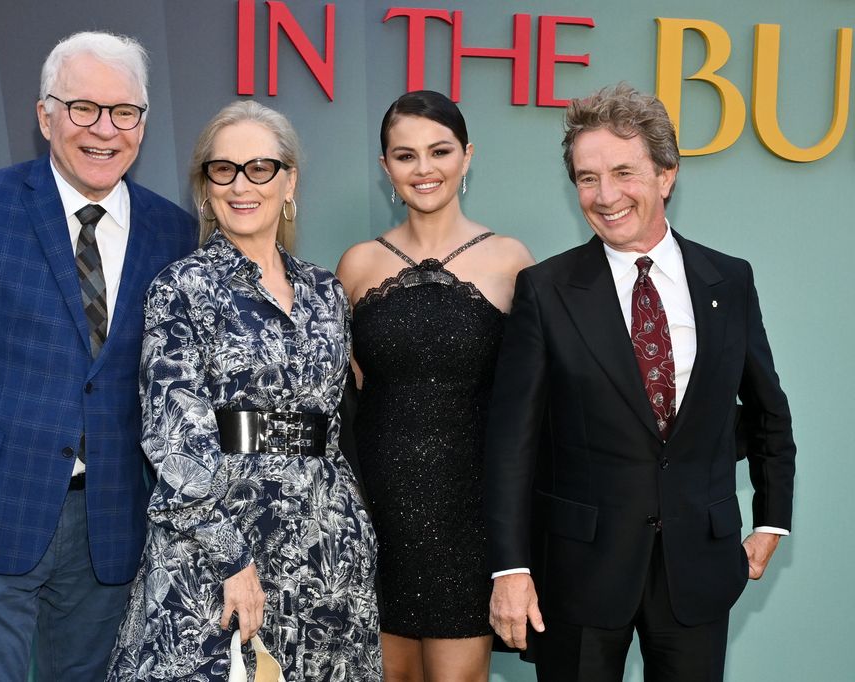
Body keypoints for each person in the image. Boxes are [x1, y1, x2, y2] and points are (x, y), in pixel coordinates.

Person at [0, 31, 195, 681]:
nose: (103, 129)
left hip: (110, 530)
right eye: (82, 107)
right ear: (44, 115)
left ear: (142, 124)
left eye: (124, 112)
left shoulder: (174, 231)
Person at [484, 83, 797, 681]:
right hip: (578, 572)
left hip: (698, 568)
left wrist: (771, 517)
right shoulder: (546, 291)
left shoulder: (728, 281)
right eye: (586, 178)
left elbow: (767, 410)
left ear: (666, 175)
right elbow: (510, 444)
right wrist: (509, 568)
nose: (605, 196)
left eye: (623, 172)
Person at [106, 100, 381, 681]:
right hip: (217, 550)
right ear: (205, 188)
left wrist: (351, 530)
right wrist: (232, 559)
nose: (241, 185)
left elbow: (330, 430)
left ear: (289, 182)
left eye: (260, 168)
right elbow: (173, 438)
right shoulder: (181, 289)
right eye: (222, 170)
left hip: (325, 554)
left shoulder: (325, 293)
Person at [336, 90, 534, 681]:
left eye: (439, 151)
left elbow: (529, 403)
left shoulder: (510, 260)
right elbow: (344, 394)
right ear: (385, 168)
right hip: (377, 511)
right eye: (405, 155)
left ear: (467, 156)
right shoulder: (357, 265)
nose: (424, 169)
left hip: (468, 513)